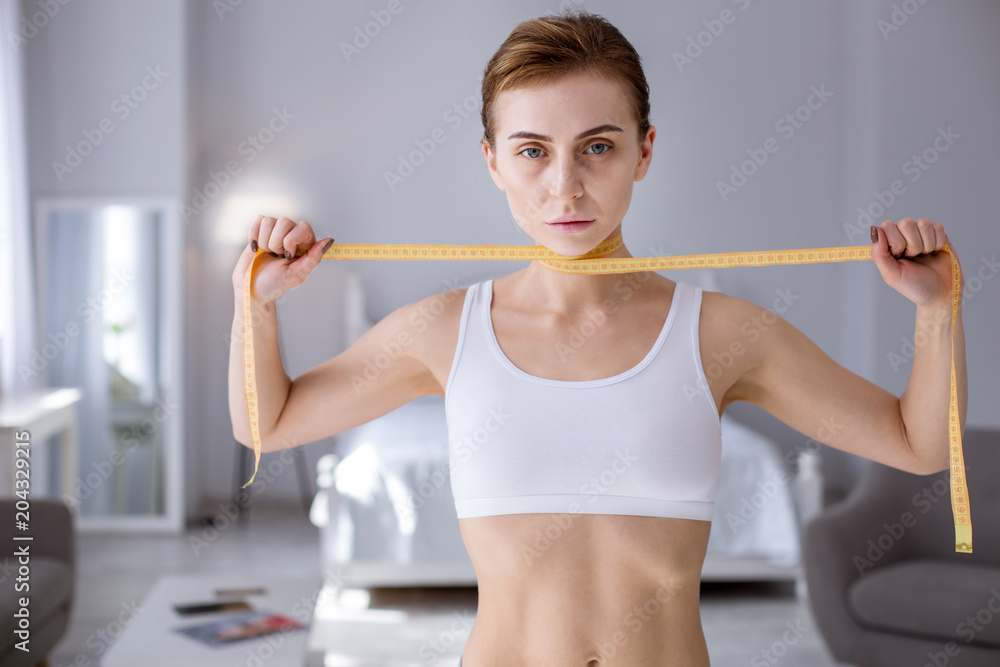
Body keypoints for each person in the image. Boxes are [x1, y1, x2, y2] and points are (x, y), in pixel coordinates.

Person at [229, 9, 967, 666]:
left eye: (597, 147)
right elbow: (271, 420)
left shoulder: (723, 334)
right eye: (532, 151)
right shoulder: (443, 329)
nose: (565, 186)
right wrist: (254, 305)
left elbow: (919, 442)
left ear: (644, 152)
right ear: (492, 162)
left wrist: (937, 311)